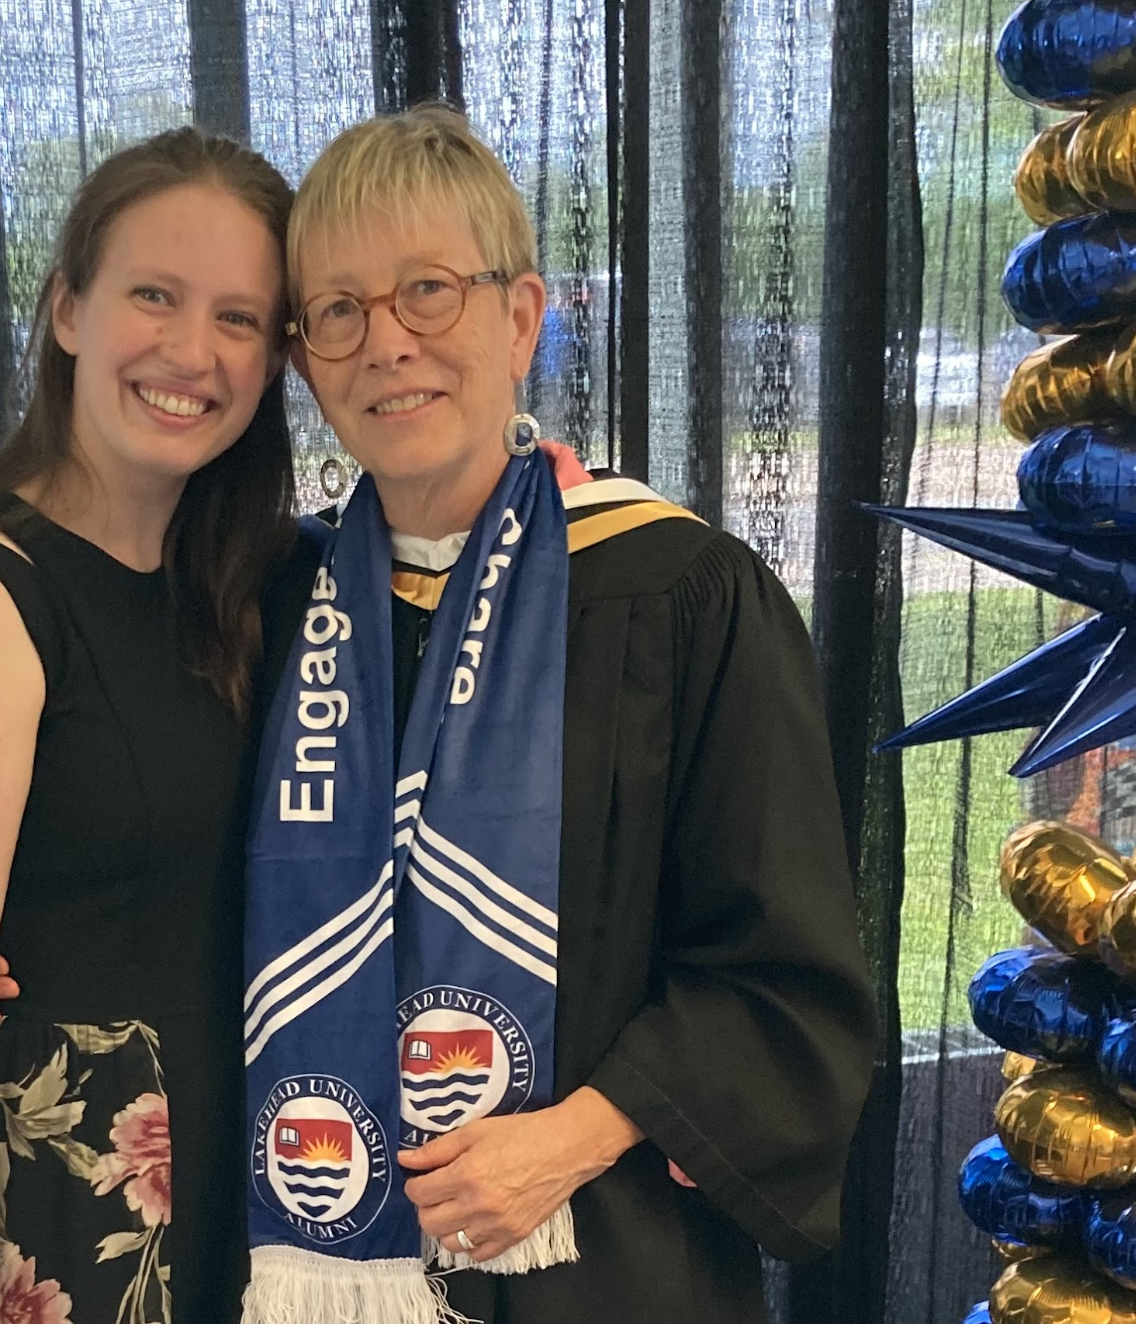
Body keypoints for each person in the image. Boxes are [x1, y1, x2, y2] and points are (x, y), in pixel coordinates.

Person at [238, 106, 879, 1323]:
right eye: (339, 312)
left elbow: (785, 982)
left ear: (521, 317)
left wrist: (573, 1136)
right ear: (306, 360)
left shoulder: (678, 594)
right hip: (321, 1268)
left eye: (429, 292)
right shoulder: (276, 611)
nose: (387, 344)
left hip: (606, 1265)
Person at [0, 126, 299, 1324]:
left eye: (238, 317)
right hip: (69, 1221)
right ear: (68, 309)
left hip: (243, 1189)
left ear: (277, 357)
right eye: (154, 295)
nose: (190, 351)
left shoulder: (249, 583)